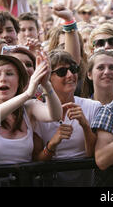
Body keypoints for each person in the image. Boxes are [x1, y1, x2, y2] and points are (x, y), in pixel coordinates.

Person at [32, 50, 101, 186]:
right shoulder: (38, 111)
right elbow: (35, 160)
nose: (70, 75)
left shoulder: (93, 106)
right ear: (48, 78)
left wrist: (85, 126)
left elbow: (94, 155)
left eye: (73, 69)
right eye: (62, 72)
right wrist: (52, 144)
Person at [0, 52, 62, 165]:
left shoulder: (29, 107)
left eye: (9, 74)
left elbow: (55, 115)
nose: (3, 79)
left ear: (19, 81)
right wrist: (27, 94)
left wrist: (46, 84)